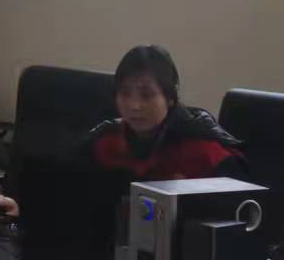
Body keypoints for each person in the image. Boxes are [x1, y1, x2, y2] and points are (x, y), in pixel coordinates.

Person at [85, 45, 246, 180]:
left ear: (170, 98)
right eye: (125, 93)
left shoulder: (203, 151)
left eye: (146, 95)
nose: (134, 106)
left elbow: (244, 201)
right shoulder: (107, 140)